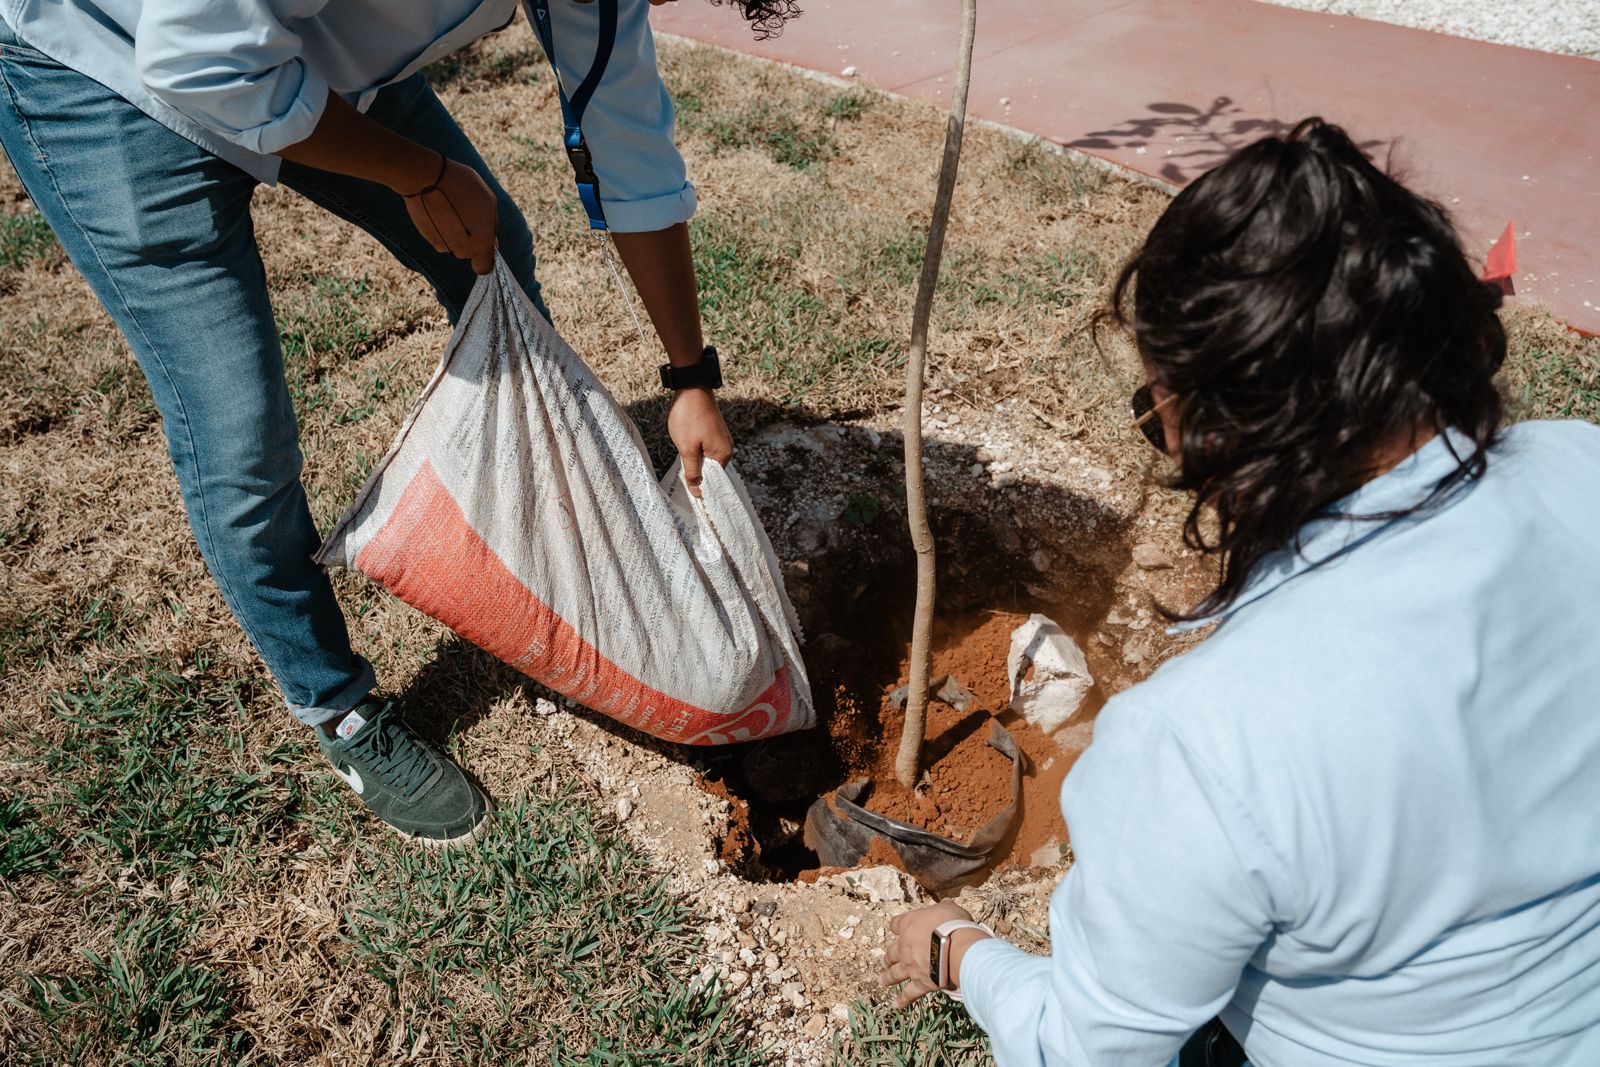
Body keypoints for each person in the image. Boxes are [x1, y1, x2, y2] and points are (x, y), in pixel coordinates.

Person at [882, 118, 1600, 1065]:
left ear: (1216, 428)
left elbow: (1093, 1049)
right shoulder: (1584, 467)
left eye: (1157, 413)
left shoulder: (1203, 742)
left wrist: (958, 950)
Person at [0, 0, 798, 845]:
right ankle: (337, 708)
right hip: (102, 72)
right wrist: (416, 171)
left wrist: (689, 376)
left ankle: (546, 536)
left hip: (298, 45)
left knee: (492, 244)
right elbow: (200, 56)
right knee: (241, 437)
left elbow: (626, 135)